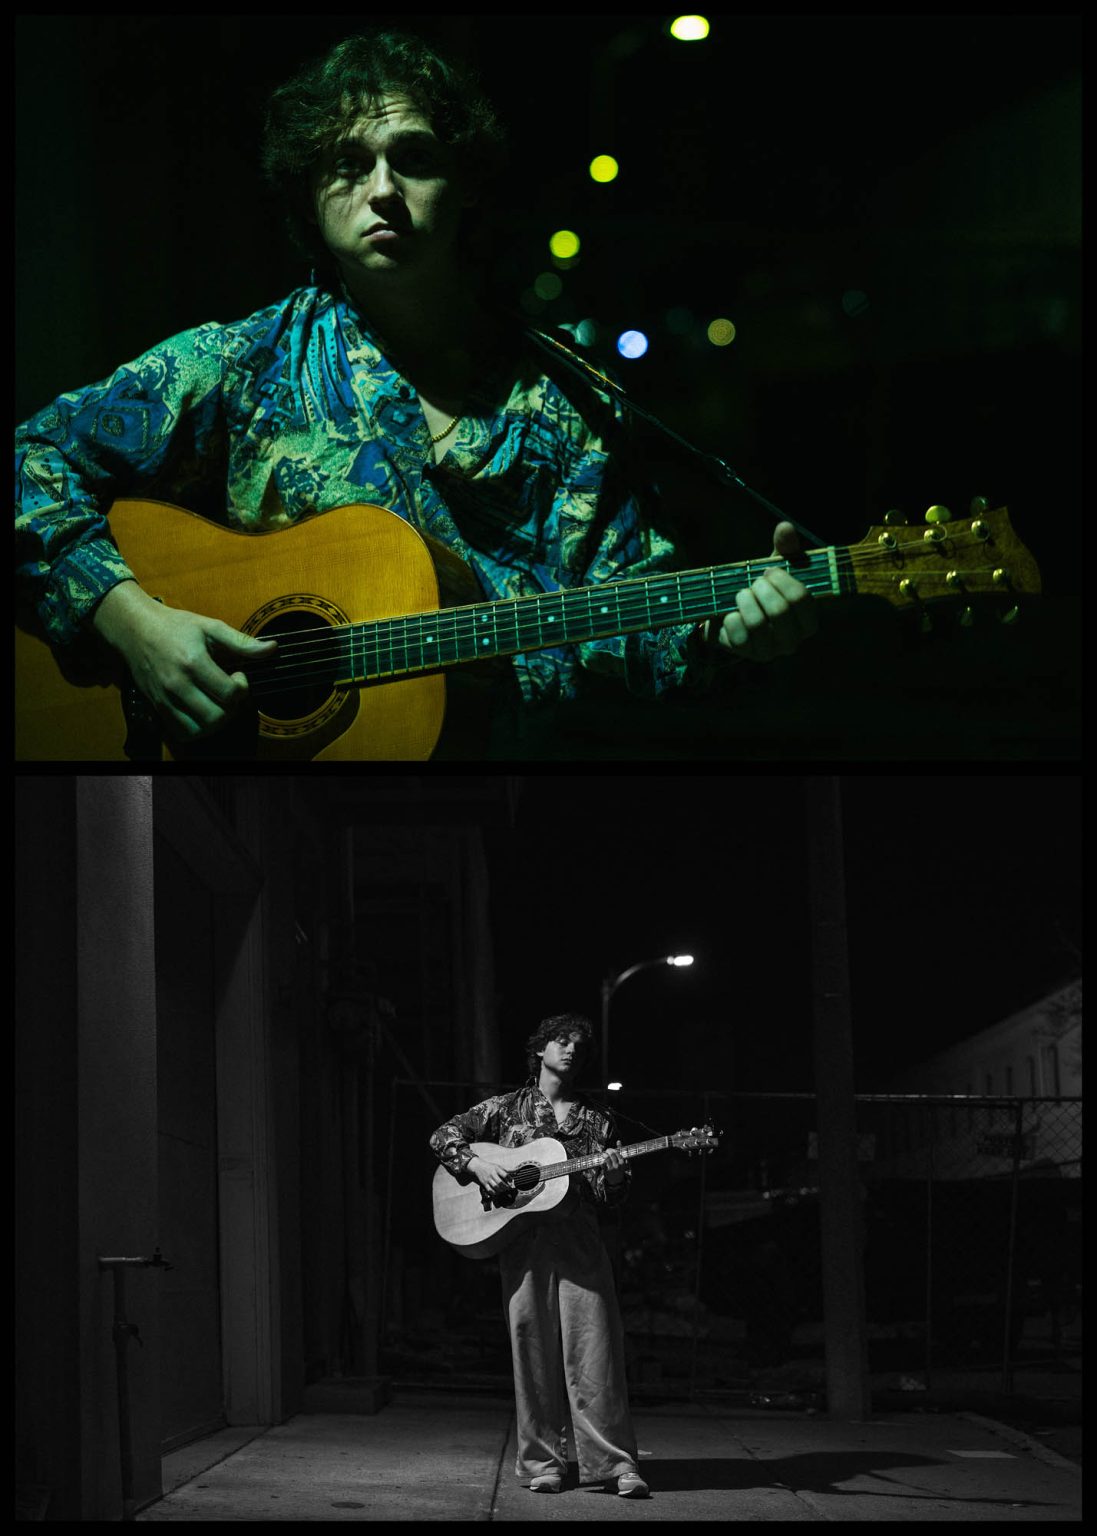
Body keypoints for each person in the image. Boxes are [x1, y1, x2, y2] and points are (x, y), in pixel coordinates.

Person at [14, 27, 818, 760]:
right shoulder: (241, 363)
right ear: (308, 193)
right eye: (347, 163)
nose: (383, 188)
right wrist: (133, 623)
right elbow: (27, 463)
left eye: (415, 157)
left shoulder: (568, 402)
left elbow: (630, 626)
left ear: (464, 185)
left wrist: (726, 633)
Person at [429, 1013, 649, 1497]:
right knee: (531, 1351)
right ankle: (542, 1463)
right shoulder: (506, 1109)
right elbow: (442, 1136)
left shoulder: (598, 1118)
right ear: (540, 1050)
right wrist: (479, 1163)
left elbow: (611, 1198)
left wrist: (613, 1175)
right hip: (523, 1242)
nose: (570, 1050)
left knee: (596, 1354)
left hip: (579, 1242)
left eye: (577, 1045)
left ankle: (615, 1465)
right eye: (561, 1041)